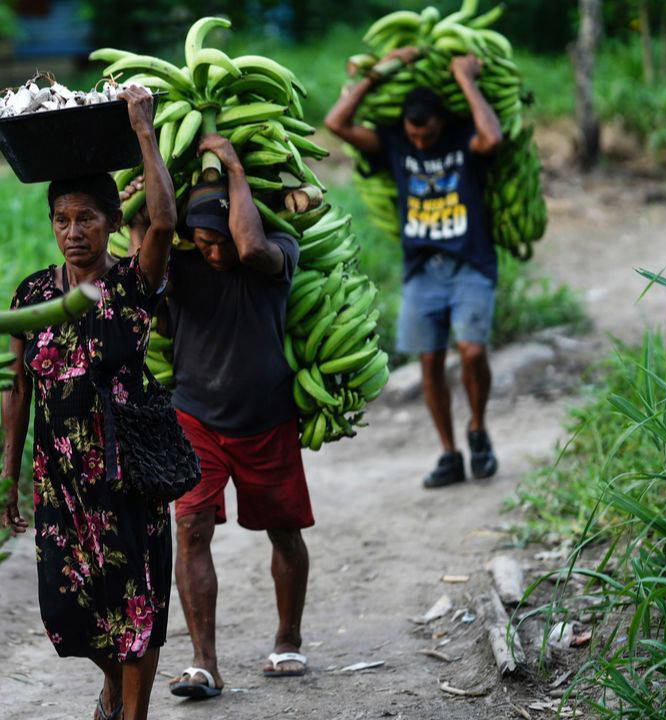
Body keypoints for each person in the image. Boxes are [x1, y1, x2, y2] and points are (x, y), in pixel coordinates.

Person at [0, 85, 177, 720]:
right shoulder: (34, 294)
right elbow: (17, 384)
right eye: (62, 219)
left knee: (136, 603)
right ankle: (114, 686)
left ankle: (133, 712)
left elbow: (162, 221)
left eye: (88, 218)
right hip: (60, 477)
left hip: (128, 470)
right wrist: (7, 474)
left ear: (108, 222)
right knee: (68, 612)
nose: (74, 232)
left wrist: (142, 131)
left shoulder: (134, 282)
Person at [128, 135, 313, 699]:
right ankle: (204, 662)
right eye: (203, 242)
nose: (214, 253)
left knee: (283, 531)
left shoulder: (275, 250)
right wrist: (138, 209)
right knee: (191, 529)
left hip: (266, 418)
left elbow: (249, 246)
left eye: (220, 241)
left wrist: (233, 168)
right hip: (197, 418)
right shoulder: (180, 265)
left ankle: (287, 638)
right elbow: (142, 272)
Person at [325, 49, 503, 488]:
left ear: (441, 121)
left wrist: (465, 78)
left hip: (470, 264)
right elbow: (336, 124)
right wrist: (378, 73)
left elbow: (493, 138)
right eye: (413, 135)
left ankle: (477, 429)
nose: (420, 143)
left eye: (427, 135)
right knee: (429, 362)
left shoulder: (464, 137)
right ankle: (449, 453)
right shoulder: (396, 143)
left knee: (473, 351)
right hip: (422, 270)